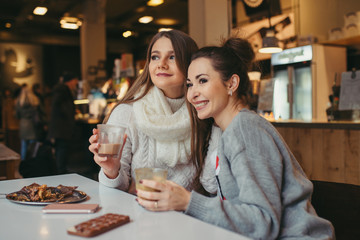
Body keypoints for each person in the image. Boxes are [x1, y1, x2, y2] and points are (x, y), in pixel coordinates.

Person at [136, 37, 335, 239]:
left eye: (202, 81)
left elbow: (263, 223)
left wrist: (188, 201)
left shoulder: (246, 130)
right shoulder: (228, 131)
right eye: (190, 84)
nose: (192, 94)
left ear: (231, 83)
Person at [88, 30, 221, 195]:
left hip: (188, 217)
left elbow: (212, 186)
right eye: (155, 57)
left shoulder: (203, 115)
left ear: (190, 64)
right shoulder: (126, 113)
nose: (161, 64)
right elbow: (114, 193)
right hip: (140, 215)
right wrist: (111, 169)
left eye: (172, 57)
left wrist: (218, 124)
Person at [48, 72, 79, 174]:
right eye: (75, 80)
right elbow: (60, 107)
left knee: (61, 150)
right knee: (62, 150)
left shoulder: (60, 90)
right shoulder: (62, 90)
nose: (76, 82)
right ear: (71, 81)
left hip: (60, 127)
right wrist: (69, 113)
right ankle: (61, 173)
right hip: (61, 127)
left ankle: (60, 171)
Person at [15, 84, 40, 161]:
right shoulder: (34, 101)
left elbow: (17, 115)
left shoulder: (19, 102)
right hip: (32, 124)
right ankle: (32, 162)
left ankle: (23, 163)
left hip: (23, 124)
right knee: (32, 145)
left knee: (24, 145)